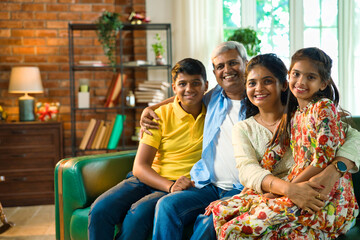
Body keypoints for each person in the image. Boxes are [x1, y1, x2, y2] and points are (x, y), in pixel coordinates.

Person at [140, 42, 360, 240]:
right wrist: (151, 108)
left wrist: (336, 169)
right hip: (222, 185)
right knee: (169, 206)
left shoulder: (303, 114)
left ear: (283, 84)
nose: (258, 88)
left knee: (214, 222)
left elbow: (350, 136)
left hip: (262, 189)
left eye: (267, 81)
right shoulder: (220, 102)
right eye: (252, 83)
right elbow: (188, 92)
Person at [212, 50, 359, 239]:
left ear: (282, 84)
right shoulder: (295, 116)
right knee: (221, 211)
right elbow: (267, 159)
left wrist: (333, 171)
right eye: (296, 75)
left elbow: (332, 153)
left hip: (323, 194)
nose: (301, 82)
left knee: (232, 230)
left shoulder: (322, 108)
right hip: (292, 189)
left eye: (310, 77)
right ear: (289, 77)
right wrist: (257, 194)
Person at [87, 58, 208, 240]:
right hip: (148, 179)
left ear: (206, 86)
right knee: (100, 210)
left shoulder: (213, 112)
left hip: (182, 183)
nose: (189, 89)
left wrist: (174, 187)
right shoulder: (158, 116)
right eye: (182, 84)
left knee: (137, 216)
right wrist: (170, 186)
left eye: (195, 83)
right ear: (174, 88)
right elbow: (140, 167)